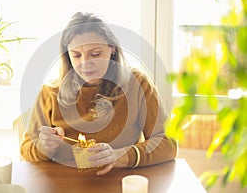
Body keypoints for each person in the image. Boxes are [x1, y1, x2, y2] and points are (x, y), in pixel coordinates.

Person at [20, 11, 177, 176]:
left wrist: (122, 156)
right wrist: (44, 147)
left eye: (95, 54)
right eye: (76, 55)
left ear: (112, 49)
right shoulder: (50, 93)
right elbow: (25, 150)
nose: (85, 64)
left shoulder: (137, 85)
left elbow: (169, 143)